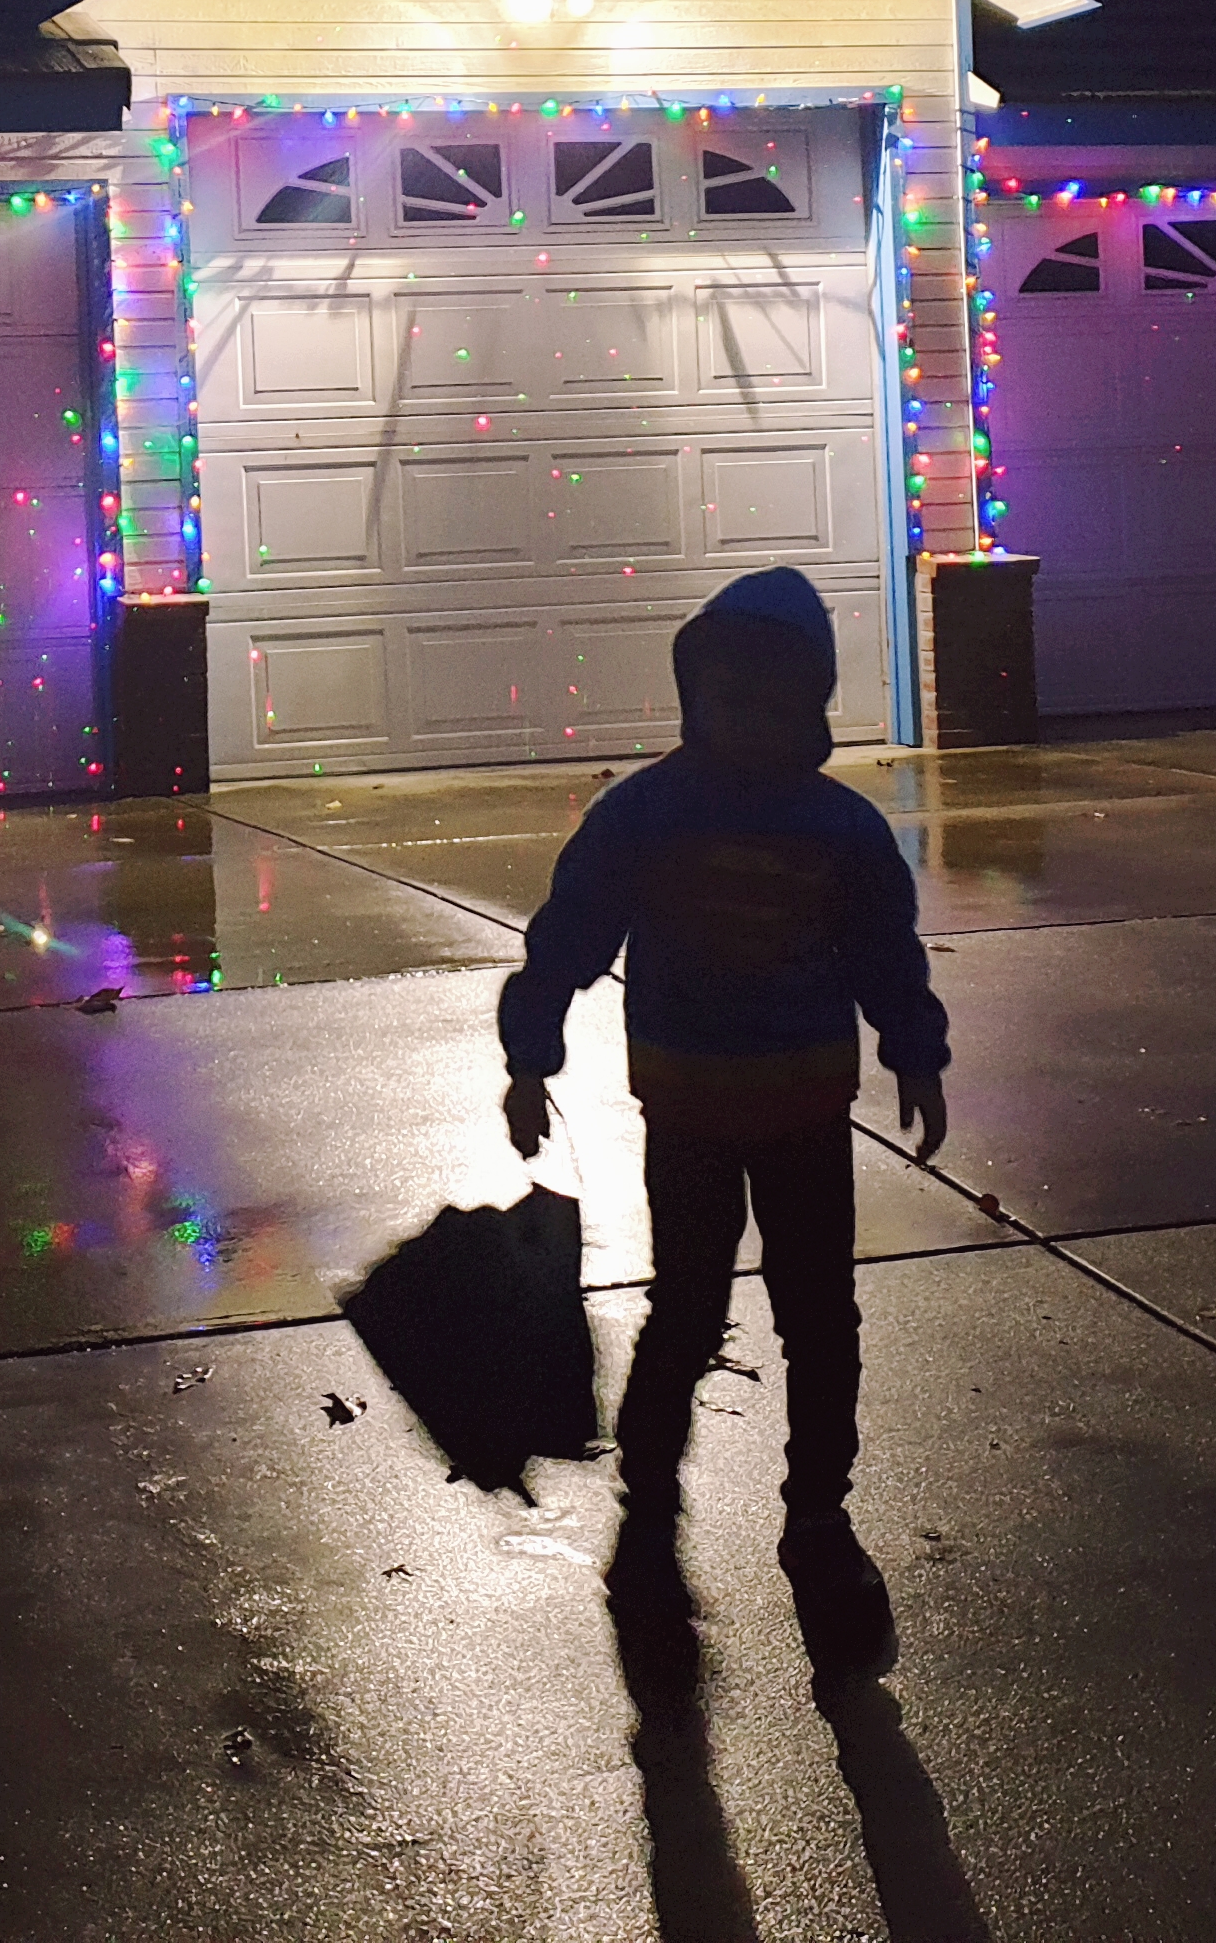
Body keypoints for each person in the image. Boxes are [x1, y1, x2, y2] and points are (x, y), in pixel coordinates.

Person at [498, 566, 948, 1675]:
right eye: (727, 697)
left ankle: (820, 1514)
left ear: (813, 709)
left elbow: (886, 953)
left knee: (819, 1317)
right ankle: (650, 1503)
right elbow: (570, 933)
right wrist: (529, 1052)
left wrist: (916, 1049)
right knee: (686, 1311)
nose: (750, 721)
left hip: (803, 1110)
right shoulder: (645, 814)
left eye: (775, 701)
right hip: (690, 1112)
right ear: (695, 698)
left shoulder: (840, 831)